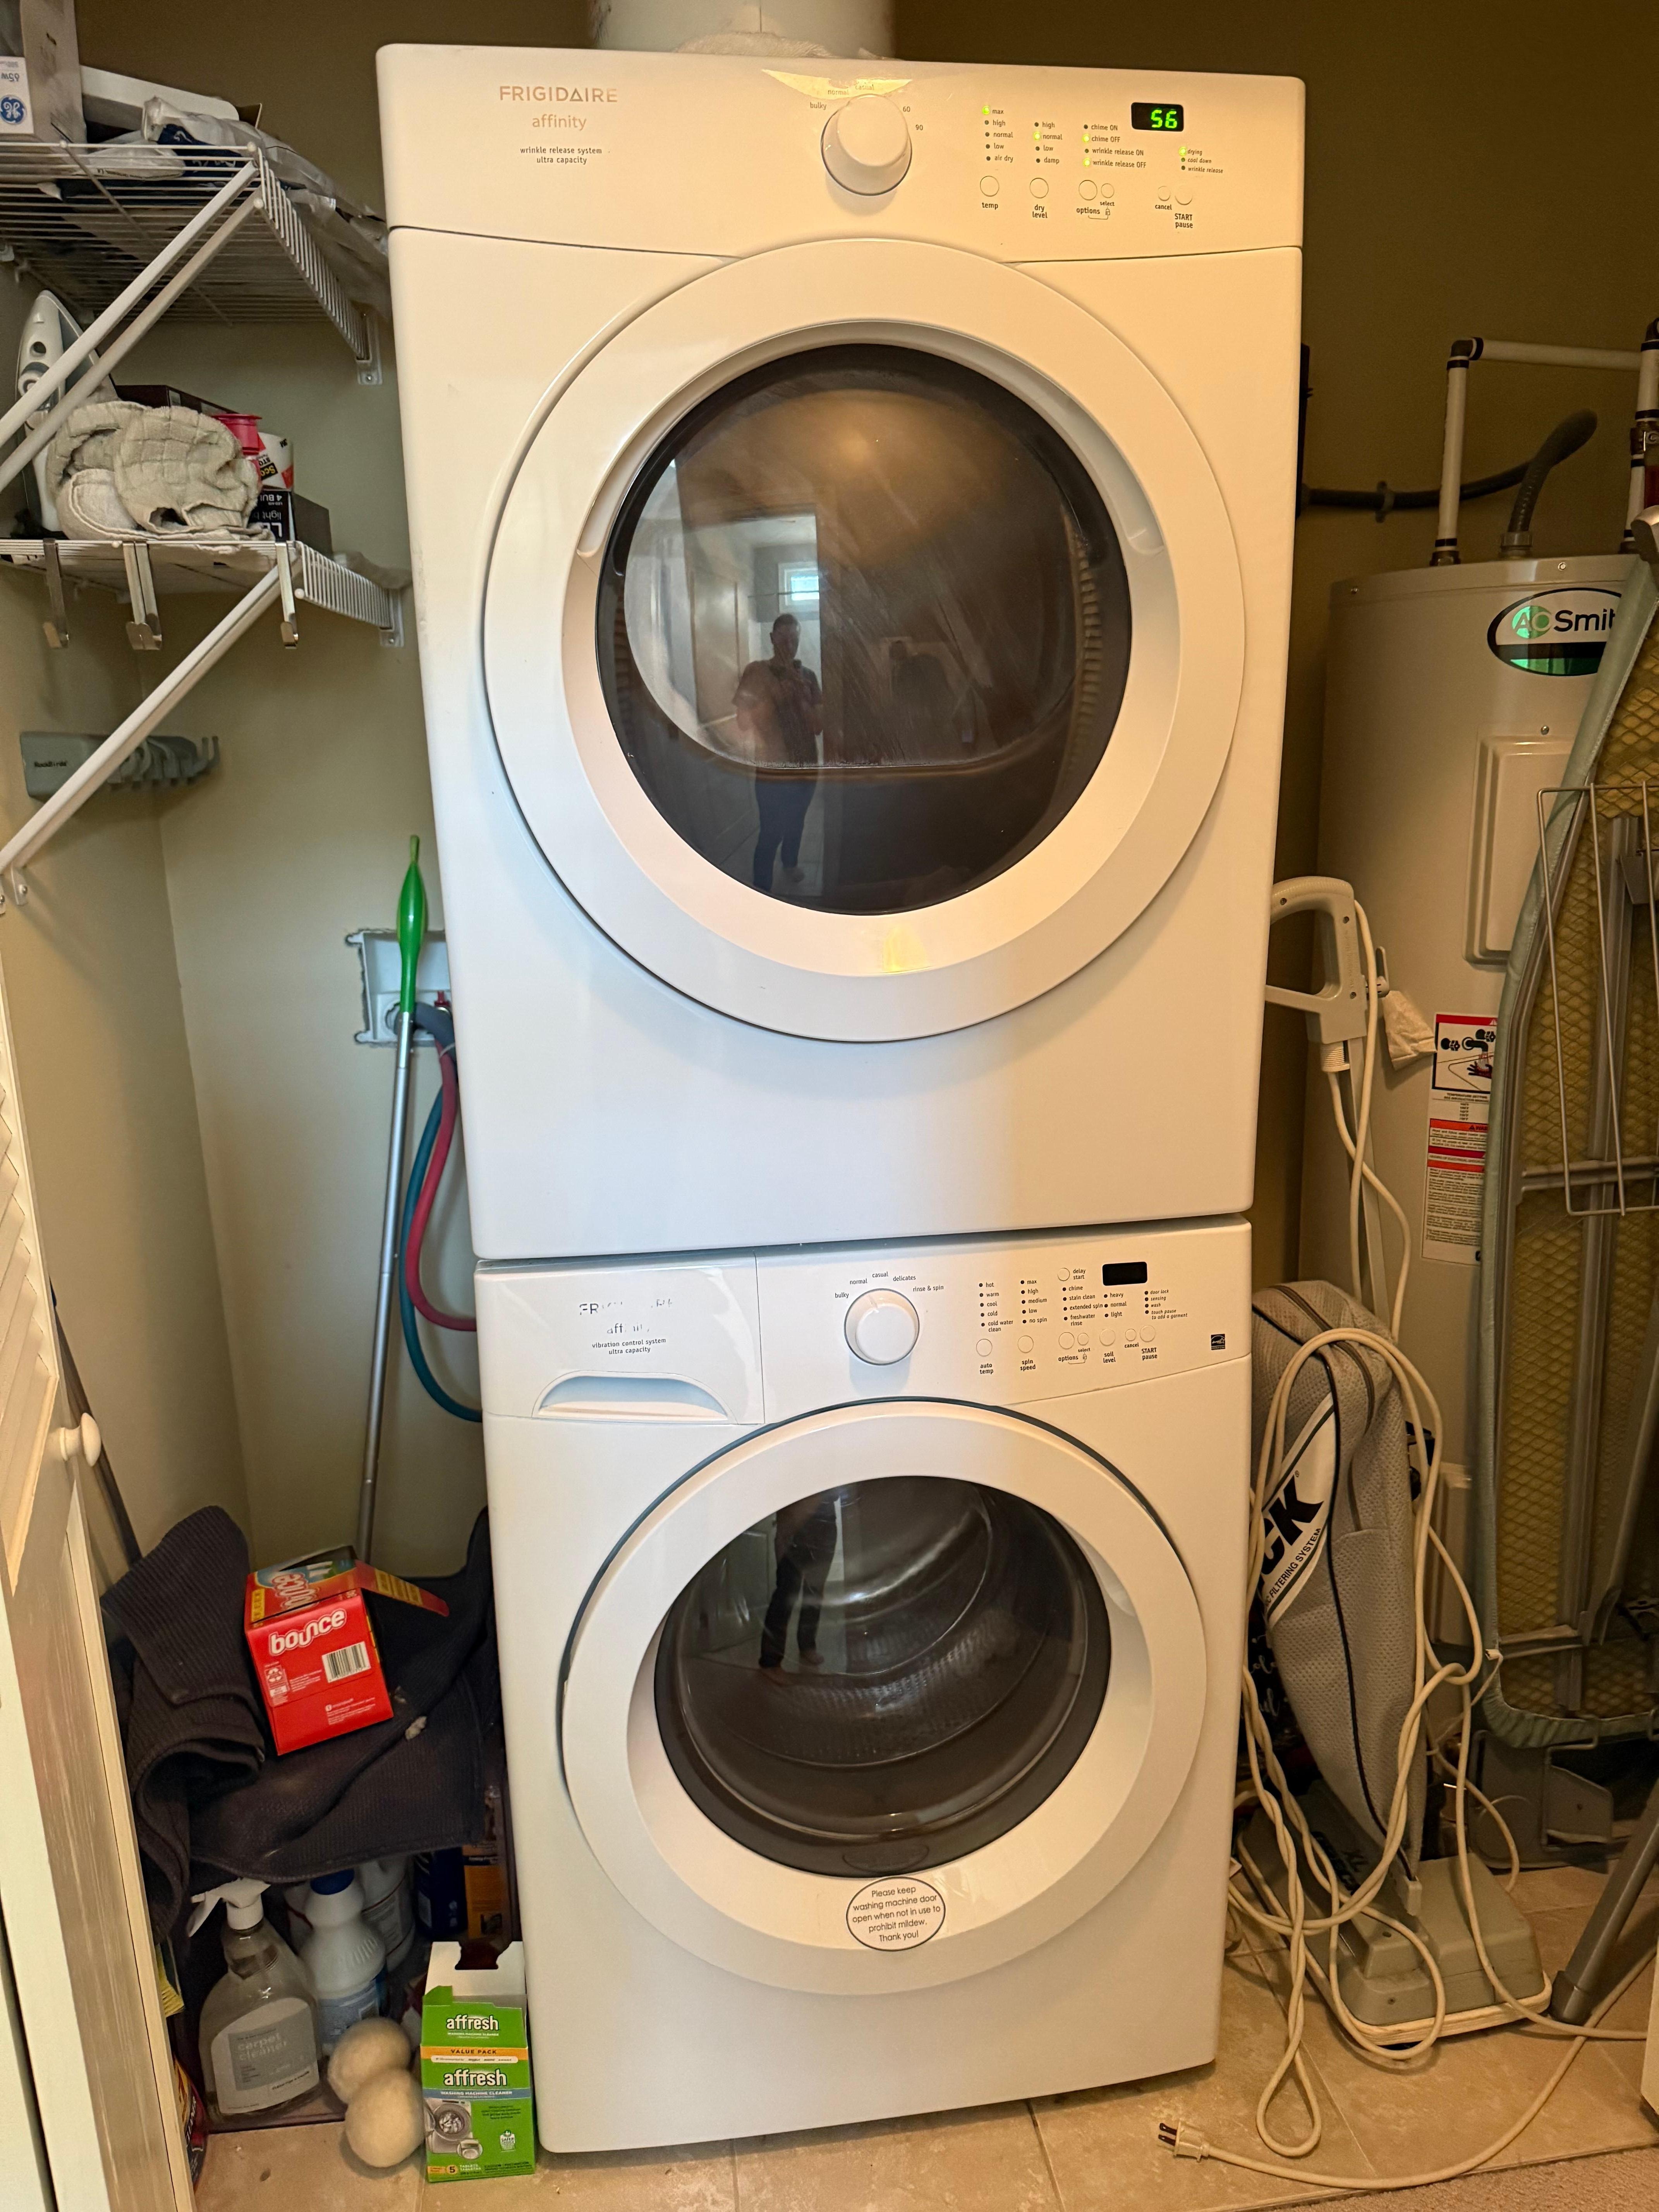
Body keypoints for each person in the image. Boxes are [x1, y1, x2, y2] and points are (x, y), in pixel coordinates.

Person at [734, 613, 822, 891]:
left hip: (806, 766)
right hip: (773, 768)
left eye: (794, 639)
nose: (789, 645)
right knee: (771, 831)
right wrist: (776, 696)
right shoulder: (756, 673)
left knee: (797, 821)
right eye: (783, 638)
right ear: (772, 639)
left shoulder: (808, 676)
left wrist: (805, 701)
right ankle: (762, 889)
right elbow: (743, 722)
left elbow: (818, 728)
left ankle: (791, 862)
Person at [759, 1492, 840, 1674]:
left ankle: (807, 1646)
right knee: (786, 1592)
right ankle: (771, 1661)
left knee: (815, 1592)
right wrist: (783, 1534)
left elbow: (838, 1489)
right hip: (795, 1522)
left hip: (824, 1525)